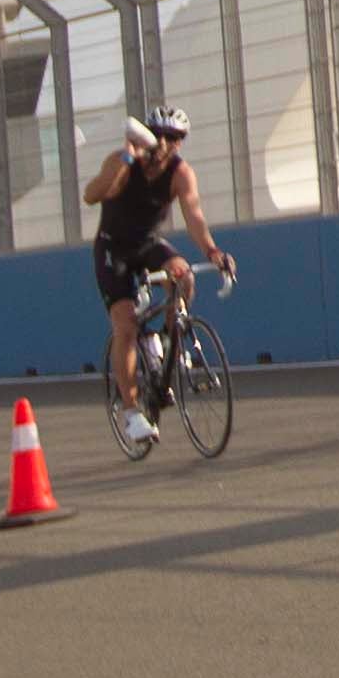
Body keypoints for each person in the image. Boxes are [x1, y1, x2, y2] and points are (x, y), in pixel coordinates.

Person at [85, 104, 232, 447]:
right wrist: (126, 159)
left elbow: (194, 216)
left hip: (147, 244)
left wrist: (213, 252)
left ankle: (168, 344)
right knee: (125, 325)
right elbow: (91, 195)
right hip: (113, 249)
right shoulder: (124, 161)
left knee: (184, 277)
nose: (164, 143)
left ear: (179, 143)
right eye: (159, 135)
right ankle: (133, 412)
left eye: (173, 138)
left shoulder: (182, 174)